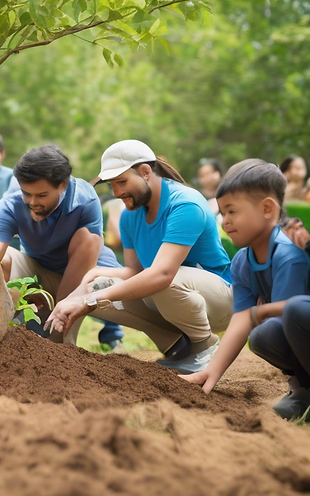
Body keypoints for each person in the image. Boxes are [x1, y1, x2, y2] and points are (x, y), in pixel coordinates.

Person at [46, 140, 233, 373]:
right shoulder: (130, 217)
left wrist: (88, 301)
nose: (116, 192)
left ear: (145, 172)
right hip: (175, 297)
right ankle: (178, 346)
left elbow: (162, 274)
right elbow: (134, 272)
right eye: (112, 185)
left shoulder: (185, 204)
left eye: (122, 182)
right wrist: (88, 283)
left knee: (162, 280)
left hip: (218, 300)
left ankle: (204, 347)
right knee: (97, 287)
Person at [180, 160, 310, 419]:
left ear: (266, 209)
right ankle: (303, 389)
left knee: (289, 313)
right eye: (222, 213)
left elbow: (288, 310)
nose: (225, 221)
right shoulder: (242, 261)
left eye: (232, 211)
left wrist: (256, 314)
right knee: (263, 336)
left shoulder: (289, 256)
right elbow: (242, 317)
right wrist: (211, 371)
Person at [0, 145, 124, 341]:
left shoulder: (84, 199)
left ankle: (60, 341)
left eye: (41, 195)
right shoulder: (10, 205)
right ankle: (12, 331)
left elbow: (88, 250)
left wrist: (57, 314)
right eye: (27, 193)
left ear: (62, 185)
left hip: (89, 276)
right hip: (39, 271)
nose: (32, 202)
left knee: (88, 239)